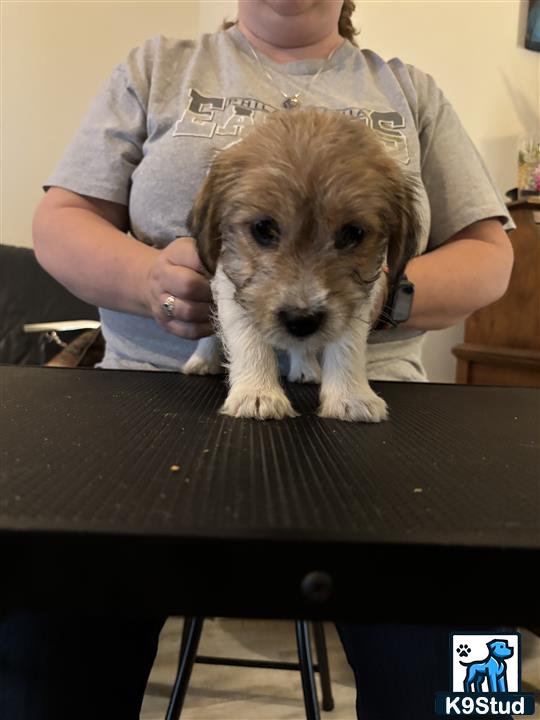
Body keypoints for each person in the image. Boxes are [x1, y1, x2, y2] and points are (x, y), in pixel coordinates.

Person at [2, 1, 514, 718]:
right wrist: (149, 279)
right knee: (32, 641)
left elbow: (493, 258)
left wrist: (384, 297)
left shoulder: (410, 89)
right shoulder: (155, 67)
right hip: (144, 408)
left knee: (481, 662)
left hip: (385, 424)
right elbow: (60, 221)